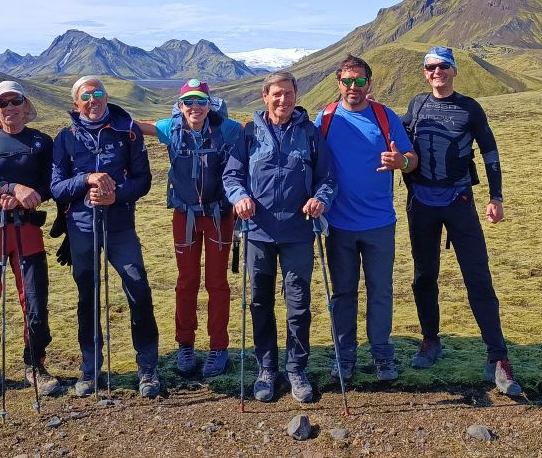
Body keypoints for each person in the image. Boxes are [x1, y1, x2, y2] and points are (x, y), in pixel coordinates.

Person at [402, 46, 522, 396]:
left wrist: (496, 197)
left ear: (454, 70)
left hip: (460, 201)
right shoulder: (416, 105)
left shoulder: (470, 108)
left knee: (478, 277)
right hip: (420, 201)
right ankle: (430, 341)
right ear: (425, 73)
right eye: (430, 67)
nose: (436, 72)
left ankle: (497, 357)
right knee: (424, 276)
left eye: (442, 66)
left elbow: (490, 152)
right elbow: (397, 138)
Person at [223, 71, 337, 403]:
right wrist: (239, 197)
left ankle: (297, 369)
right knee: (260, 303)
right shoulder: (249, 134)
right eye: (276, 94)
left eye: (288, 94)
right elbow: (232, 175)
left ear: (296, 95)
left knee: (298, 305)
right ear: (265, 96)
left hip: (299, 231)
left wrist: (321, 199)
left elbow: (327, 178)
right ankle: (266, 369)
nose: (283, 100)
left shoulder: (311, 134)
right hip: (258, 231)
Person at [50, 76, 161, 398]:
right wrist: (86, 179)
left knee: (138, 290)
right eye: (86, 96)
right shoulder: (65, 138)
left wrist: (117, 195)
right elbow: (57, 188)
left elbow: (143, 180)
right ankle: (90, 368)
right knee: (88, 297)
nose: (93, 100)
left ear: (106, 97)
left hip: (120, 227)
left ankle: (148, 368)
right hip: (82, 228)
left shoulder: (127, 132)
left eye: (98, 93)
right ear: (76, 104)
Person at [314, 55, 417, 383]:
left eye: (360, 81)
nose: (353, 87)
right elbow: (310, 160)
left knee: (380, 290)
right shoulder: (326, 118)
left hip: (380, 223)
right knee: (343, 292)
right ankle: (344, 356)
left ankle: (382, 354)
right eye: (347, 81)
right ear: (338, 83)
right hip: (339, 224)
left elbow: (411, 159)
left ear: (369, 84)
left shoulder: (385, 117)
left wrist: (401, 161)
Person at [136, 79, 242, 378]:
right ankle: (185, 344)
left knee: (218, 283)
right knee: (186, 282)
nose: (195, 107)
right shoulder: (170, 129)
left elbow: (254, 129)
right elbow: (136, 127)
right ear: (180, 106)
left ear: (210, 104)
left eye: (201, 101)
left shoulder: (227, 128)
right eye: (189, 102)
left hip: (220, 214)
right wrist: (99, 115)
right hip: (185, 215)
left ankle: (218, 347)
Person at [0, 80, 61, 404]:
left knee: (34, 301)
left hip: (25, 228)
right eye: (2, 103)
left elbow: (50, 186)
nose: (10, 108)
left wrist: (22, 198)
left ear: (25, 104)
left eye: (15, 101)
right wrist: (11, 189)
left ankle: (36, 364)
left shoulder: (41, 142)